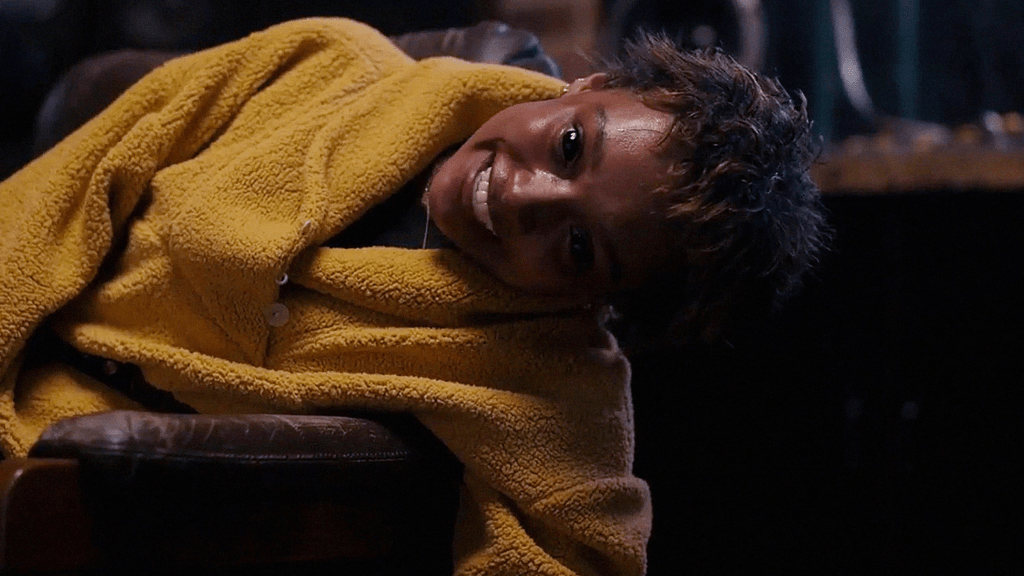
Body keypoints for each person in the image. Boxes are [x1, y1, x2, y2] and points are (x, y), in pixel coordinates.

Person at [0, 17, 824, 576]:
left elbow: (584, 548)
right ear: (586, 86)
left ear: (601, 303)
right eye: (571, 145)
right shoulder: (329, 61)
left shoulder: (545, 381)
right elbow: (74, 185)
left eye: (579, 248)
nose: (525, 195)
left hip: (54, 479)